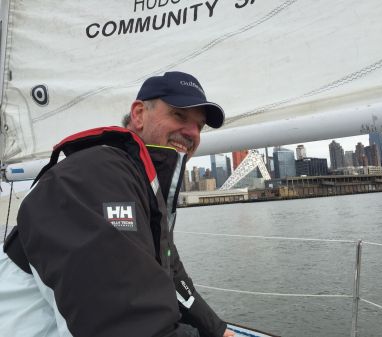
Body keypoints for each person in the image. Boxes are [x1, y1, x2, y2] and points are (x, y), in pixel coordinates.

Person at [0, 71, 235, 337]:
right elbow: (130, 324)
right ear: (138, 114)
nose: (192, 132)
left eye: (199, 126)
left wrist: (218, 330)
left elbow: (173, 276)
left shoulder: (141, 183)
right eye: (179, 115)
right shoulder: (95, 177)